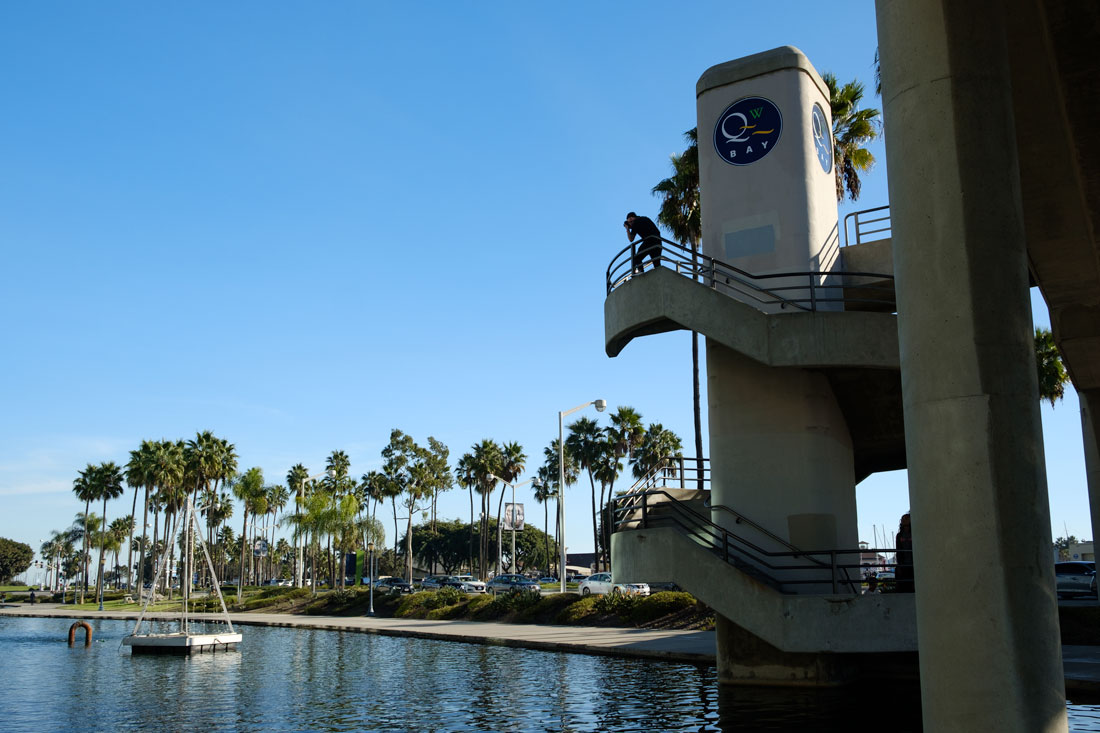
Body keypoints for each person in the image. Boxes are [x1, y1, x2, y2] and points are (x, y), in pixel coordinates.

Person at [894, 513, 914, 593]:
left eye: (906, 518)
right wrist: (899, 564)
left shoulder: (914, 533)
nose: (904, 520)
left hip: (913, 563)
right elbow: (898, 551)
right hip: (903, 563)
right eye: (902, 519)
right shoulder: (899, 535)